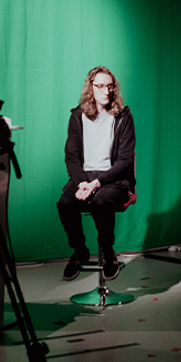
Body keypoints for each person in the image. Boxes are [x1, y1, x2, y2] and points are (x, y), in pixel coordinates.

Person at [57, 66, 135, 281]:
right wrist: (83, 183)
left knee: (101, 201)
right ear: (90, 88)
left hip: (114, 179)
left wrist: (96, 184)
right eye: (100, 86)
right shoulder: (77, 116)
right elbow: (71, 157)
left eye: (110, 86)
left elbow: (125, 161)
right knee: (65, 203)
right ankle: (80, 250)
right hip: (84, 177)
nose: (106, 91)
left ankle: (107, 249)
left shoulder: (123, 117)